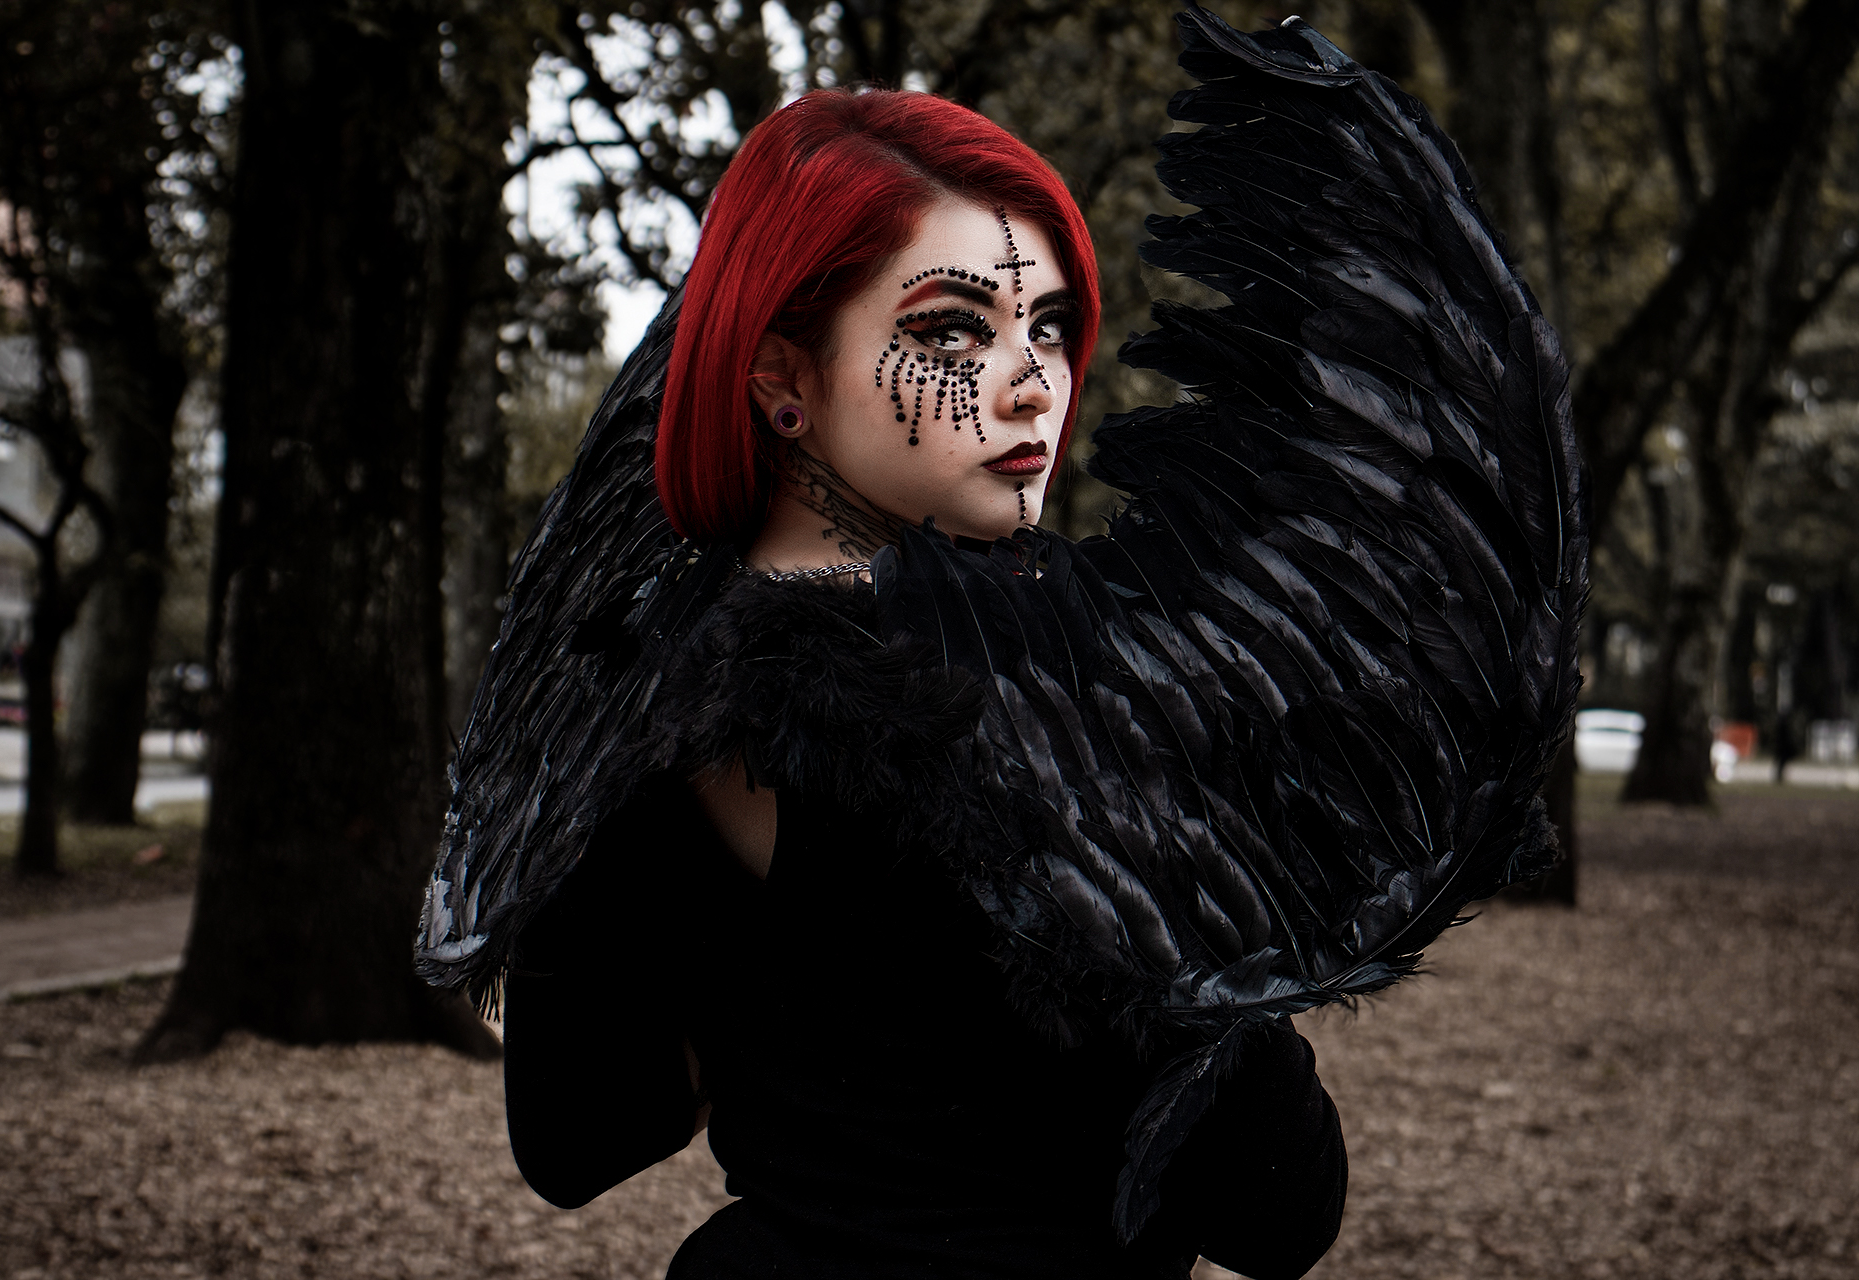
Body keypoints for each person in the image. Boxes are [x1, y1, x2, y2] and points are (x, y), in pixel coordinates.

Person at [419, 13, 1584, 1279]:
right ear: (782, 375)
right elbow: (1279, 1205)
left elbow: (580, 1132)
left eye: (1049, 326)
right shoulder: (1072, 707)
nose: (1033, 382)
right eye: (951, 331)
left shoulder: (634, 683)